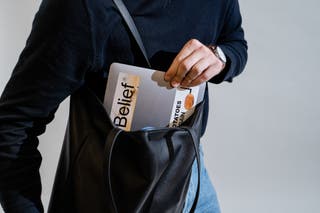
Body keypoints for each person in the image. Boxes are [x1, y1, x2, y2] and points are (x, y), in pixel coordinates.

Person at [0, 0, 247, 212]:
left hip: (193, 183)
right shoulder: (82, 8)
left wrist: (219, 57)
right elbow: (13, 124)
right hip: (109, 196)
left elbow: (235, 42)